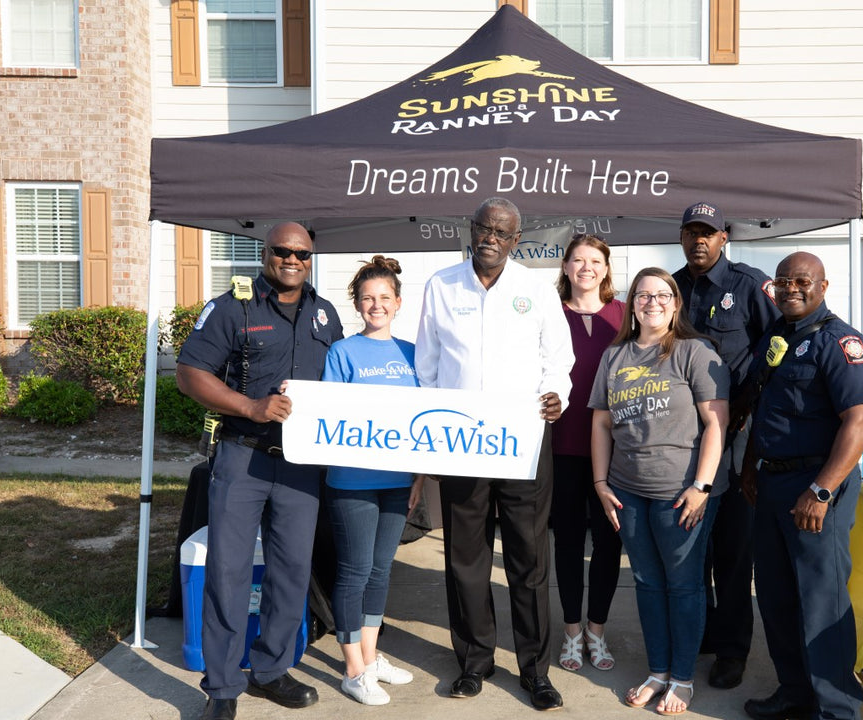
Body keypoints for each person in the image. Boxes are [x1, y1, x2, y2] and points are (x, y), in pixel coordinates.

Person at [176, 222, 343, 720]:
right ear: (265, 252)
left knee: (291, 573)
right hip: (242, 458)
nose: (292, 260)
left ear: (311, 259)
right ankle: (223, 686)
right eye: (282, 251)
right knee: (228, 573)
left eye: (302, 253)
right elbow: (189, 374)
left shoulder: (324, 313)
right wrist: (250, 407)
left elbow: (341, 383)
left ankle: (270, 671)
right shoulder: (233, 307)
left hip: (300, 467)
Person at [415, 197, 575, 711]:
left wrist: (557, 394)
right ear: (471, 229)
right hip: (461, 443)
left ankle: (535, 671)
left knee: (529, 558)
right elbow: (427, 366)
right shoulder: (441, 285)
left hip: (522, 442)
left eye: (502, 233)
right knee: (466, 557)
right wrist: (433, 435)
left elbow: (559, 359)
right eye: (484, 228)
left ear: (515, 240)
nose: (490, 238)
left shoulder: (536, 288)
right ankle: (474, 662)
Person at [740, 251, 863, 720]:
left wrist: (821, 491)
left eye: (802, 281)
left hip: (818, 486)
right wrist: (750, 467)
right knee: (776, 595)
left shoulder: (841, 343)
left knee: (821, 602)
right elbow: (763, 408)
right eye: (783, 281)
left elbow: (861, 420)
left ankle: (837, 709)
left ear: (823, 287)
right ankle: (795, 692)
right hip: (772, 483)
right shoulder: (776, 337)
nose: (791, 289)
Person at [589, 267, 730, 717]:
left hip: (681, 493)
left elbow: (716, 423)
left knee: (684, 585)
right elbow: (601, 423)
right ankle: (658, 671)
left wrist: (702, 486)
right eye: (643, 295)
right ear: (631, 305)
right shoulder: (615, 356)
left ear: (675, 304)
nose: (652, 302)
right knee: (648, 583)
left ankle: (682, 678)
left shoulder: (693, 351)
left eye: (662, 295)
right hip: (627, 491)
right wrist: (600, 483)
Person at [671, 201, 779, 690]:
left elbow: (777, 349)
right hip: (681, 437)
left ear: (724, 237)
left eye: (708, 233)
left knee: (734, 550)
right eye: (691, 232)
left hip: (736, 436)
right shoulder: (671, 288)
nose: (699, 240)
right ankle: (706, 632)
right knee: (691, 544)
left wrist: (750, 404)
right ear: (681, 237)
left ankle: (733, 649)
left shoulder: (749, 285)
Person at [321, 256, 423, 706]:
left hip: (398, 480)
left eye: (384, 297)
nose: (376, 305)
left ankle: (370, 654)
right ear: (357, 305)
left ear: (398, 302)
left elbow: (427, 422)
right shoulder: (342, 352)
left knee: (381, 570)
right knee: (355, 570)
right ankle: (353, 670)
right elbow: (328, 415)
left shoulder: (414, 353)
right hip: (352, 481)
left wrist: (420, 476)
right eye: (368, 298)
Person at [550, 234, 625, 673]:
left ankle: (597, 630)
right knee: (567, 541)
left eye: (595, 261)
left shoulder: (624, 315)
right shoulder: (549, 314)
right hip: (561, 446)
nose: (586, 268)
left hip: (616, 452)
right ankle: (572, 631)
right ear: (565, 267)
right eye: (578, 260)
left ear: (606, 269)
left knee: (609, 542)